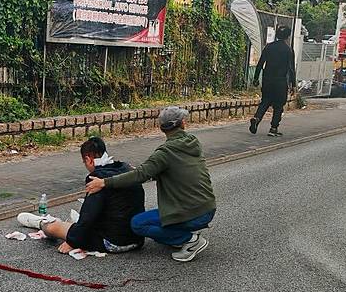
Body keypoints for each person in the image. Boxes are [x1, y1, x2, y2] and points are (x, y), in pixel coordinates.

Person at [86, 106, 216, 263]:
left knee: (138, 224)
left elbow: (141, 175)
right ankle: (179, 236)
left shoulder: (165, 153)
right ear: (183, 123)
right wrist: (148, 171)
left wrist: (105, 182)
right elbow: (171, 170)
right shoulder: (193, 143)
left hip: (192, 213)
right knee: (159, 234)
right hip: (208, 208)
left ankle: (190, 240)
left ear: (161, 128)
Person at [17, 137, 145, 253]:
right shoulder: (128, 170)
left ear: (88, 159)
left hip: (112, 242)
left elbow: (89, 214)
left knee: (53, 228)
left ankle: (41, 222)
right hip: (136, 239)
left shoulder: (96, 179)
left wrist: (73, 241)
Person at [249, 25, 297, 137]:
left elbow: (260, 63)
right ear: (288, 36)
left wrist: (256, 78)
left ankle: (256, 118)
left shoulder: (269, 47)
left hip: (267, 80)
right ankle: (273, 128)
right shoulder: (288, 50)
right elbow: (291, 69)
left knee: (265, 101)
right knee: (279, 105)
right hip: (280, 82)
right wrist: (293, 85)